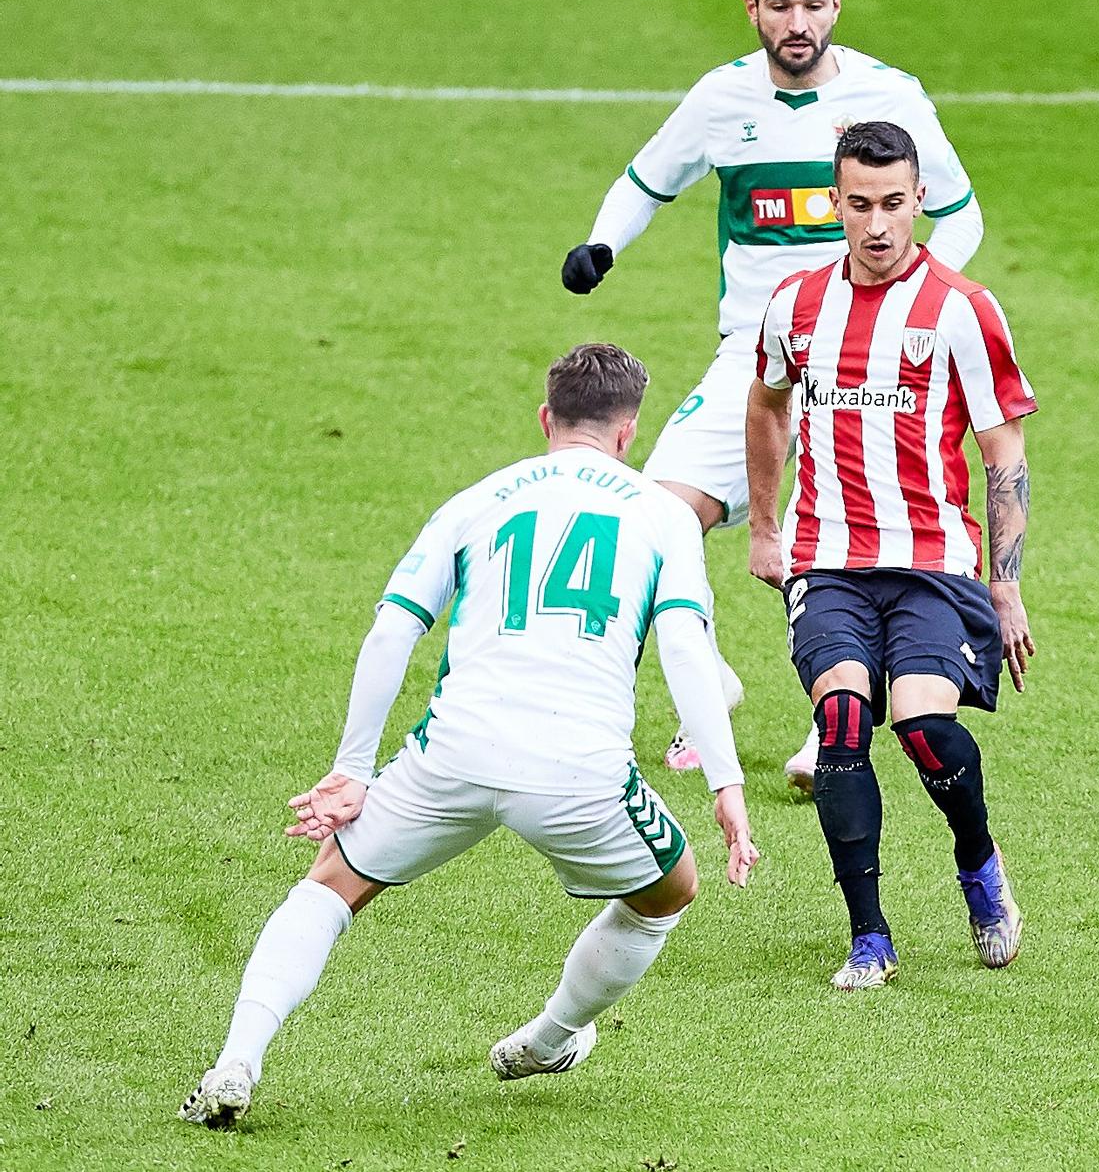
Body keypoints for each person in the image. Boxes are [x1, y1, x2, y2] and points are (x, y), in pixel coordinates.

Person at [178, 344, 758, 1129]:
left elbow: (392, 629)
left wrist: (352, 769)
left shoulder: (478, 497)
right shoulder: (661, 512)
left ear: (547, 418)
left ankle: (235, 1060)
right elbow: (686, 648)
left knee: (331, 881)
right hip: (578, 769)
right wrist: (725, 783)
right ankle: (550, 1036)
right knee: (669, 889)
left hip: (454, 748)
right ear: (629, 433)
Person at [560, 0, 985, 794]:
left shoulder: (888, 96)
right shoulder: (722, 99)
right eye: (780, 4)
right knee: (655, 515)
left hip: (865, 364)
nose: (799, 22)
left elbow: (962, 211)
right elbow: (645, 180)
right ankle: (708, 678)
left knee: (857, 539)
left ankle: (835, 724)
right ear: (752, 8)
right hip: (752, 356)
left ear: (839, 4)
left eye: (815, 3)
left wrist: (917, 298)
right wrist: (602, 244)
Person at [744, 121, 1035, 990]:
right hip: (826, 559)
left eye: (895, 204)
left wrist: (1007, 589)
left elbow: (1004, 454)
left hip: (934, 564)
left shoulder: (962, 309)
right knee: (839, 720)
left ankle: (979, 865)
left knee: (921, 725)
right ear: (834, 203)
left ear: (919, 201)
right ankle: (868, 934)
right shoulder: (795, 305)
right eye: (859, 205)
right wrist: (765, 528)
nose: (877, 226)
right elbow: (764, 405)